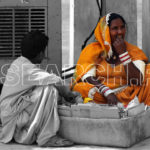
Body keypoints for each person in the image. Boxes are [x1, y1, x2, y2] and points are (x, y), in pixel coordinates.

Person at [0, 30, 79, 147]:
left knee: (46, 88)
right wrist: (69, 95)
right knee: (49, 89)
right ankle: (47, 137)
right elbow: (55, 80)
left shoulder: (19, 63)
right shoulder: (26, 68)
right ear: (40, 53)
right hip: (14, 118)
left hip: (12, 114)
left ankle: (38, 132)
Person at [72, 13, 150, 106]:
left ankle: (128, 106)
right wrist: (107, 91)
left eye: (122, 27)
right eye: (115, 28)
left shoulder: (133, 51)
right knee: (80, 88)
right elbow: (87, 76)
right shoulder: (92, 50)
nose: (120, 32)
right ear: (105, 32)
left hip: (128, 95)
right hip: (101, 95)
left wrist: (123, 54)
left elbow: (137, 80)